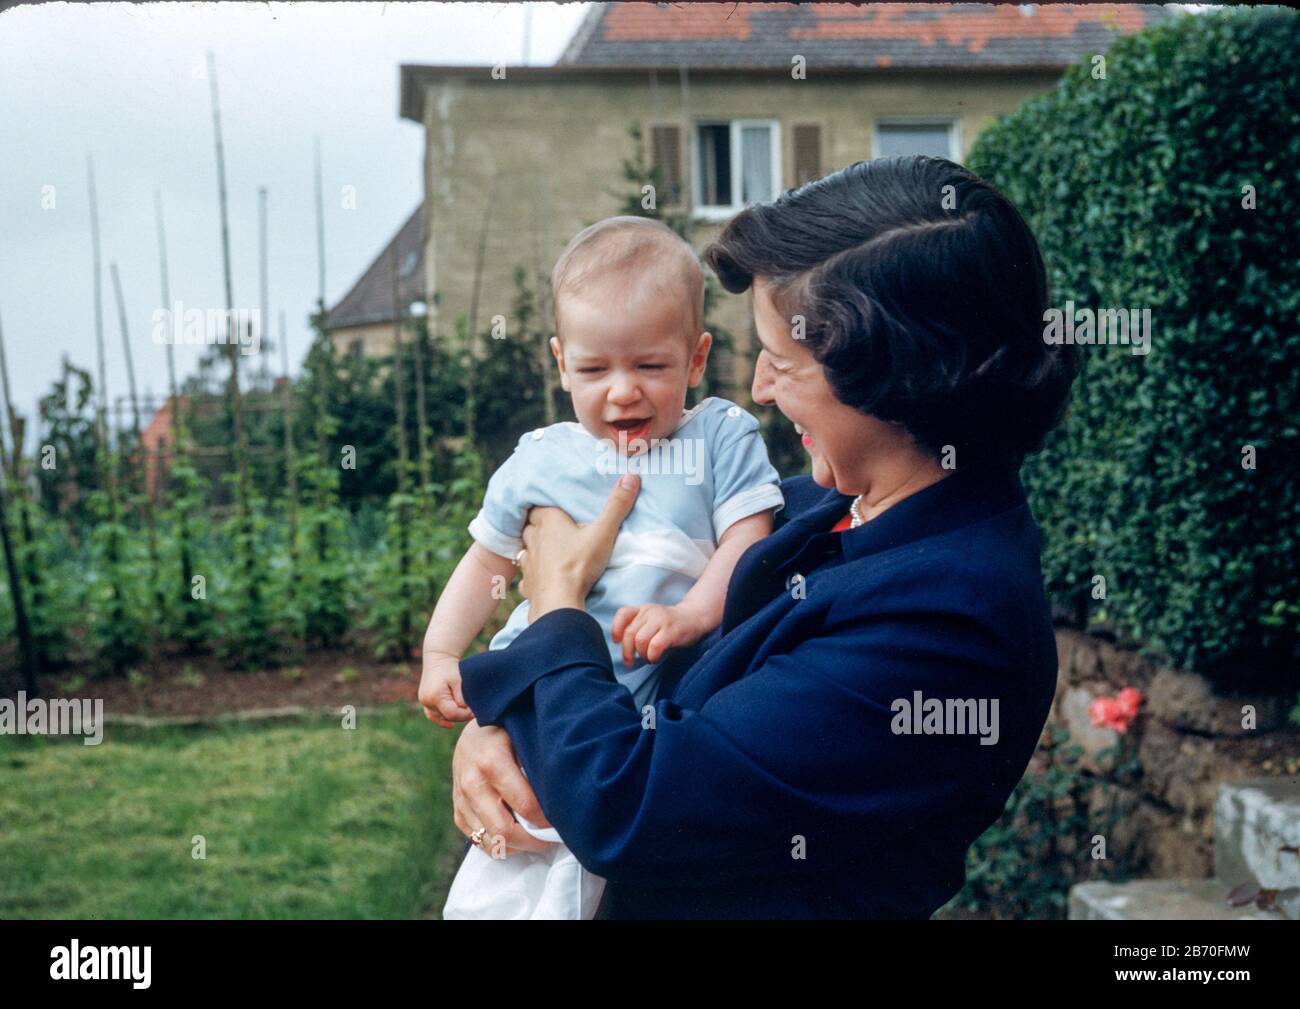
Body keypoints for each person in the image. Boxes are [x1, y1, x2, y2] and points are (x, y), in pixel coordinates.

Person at [445, 155, 1081, 918]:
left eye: (782, 362)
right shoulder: (823, 506)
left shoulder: (948, 626)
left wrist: (554, 607)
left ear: (896, 381)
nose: (758, 390)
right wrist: (499, 732)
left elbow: (632, 805)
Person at [420, 216, 784, 918]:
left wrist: (692, 613)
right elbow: (485, 562)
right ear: (561, 363)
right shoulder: (541, 457)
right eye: (594, 369)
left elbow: (749, 534)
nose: (623, 392)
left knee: (585, 866)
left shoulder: (719, 436)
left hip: (636, 708)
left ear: (696, 358)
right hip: (535, 688)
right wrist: (441, 652)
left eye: (651, 366)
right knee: (506, 864)